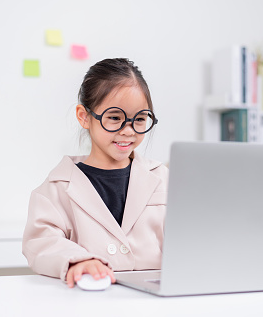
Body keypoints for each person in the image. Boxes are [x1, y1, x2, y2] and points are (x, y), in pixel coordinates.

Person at [22, 58, 168, 288]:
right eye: (114, 118)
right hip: (91, 302)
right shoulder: (56, 187)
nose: (128, 130)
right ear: (84, 117)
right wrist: (78, 261)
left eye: (139, 119)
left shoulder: (163, 179)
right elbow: (40, 242)